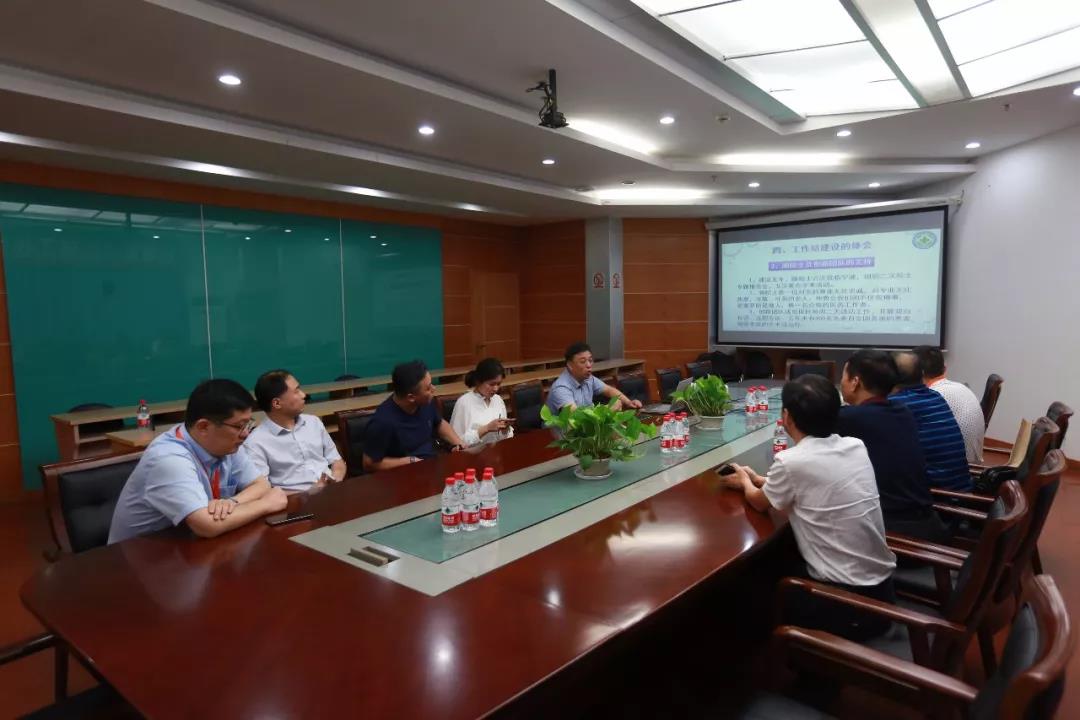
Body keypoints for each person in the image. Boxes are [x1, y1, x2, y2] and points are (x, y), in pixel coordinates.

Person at [722, 374, 896, 640]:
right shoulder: (855, 445)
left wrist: (745, 482)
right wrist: (760, 479)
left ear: (787, 417)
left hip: (843, 604)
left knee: (750, 576)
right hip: (882, 593)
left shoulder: (792, 461)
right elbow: (814, 481)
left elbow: (758, 502)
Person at [108, 379, 288, 543]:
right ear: (203, 426)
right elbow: (207, 525)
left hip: (186, 545)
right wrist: (266, 504)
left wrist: (232, 503)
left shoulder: (226, 444)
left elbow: (261, 484)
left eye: (248, 424)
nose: (246, 433)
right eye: (239, 426)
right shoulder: (168, 458)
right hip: (136, 557)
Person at [836, 349, 947, 542]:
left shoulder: (851, 418)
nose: (841, 382)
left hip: (896, 534)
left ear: (855, 382)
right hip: (927, 522)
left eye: (843, 377)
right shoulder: (902, 411)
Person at [243, 369, 346, 492]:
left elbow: (337, 461)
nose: (303, 395)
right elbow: (263, 491)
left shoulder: (313, 422)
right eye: (296, 391)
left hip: (331, 492)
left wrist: (336, 479)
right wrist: (310, 493)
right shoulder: (255, 442)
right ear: (277, 403)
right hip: (294, 500)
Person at [362, 360, 466, 472]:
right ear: (411, 397)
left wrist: (458, 443)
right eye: (428, 388)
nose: (434, 389)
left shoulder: (426, 401)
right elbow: (369, 463)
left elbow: (439, 423)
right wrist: (409, 461)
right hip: (403, 473)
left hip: (431, 465)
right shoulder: (382, 422)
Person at [891, 351, 972, 492]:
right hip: (960, 489)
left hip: (939, 497)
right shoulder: (936, 396)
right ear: (922, 374)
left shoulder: (897, 405)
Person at [913, 345, 985, 463]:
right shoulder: (962, 387)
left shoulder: (931, 397)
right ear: (944, 368)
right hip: (971, 460)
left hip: (954, 463)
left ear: (917, 373)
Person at [545, 342, 643, 415]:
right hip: (562, 434)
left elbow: (609, 390)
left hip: (586, 429)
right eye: (583, 362)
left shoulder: (588, 378)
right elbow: (576, 415)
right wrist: (607, 410)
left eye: (590, 360)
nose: (589, 365)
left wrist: (628, 402)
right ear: (570, 365)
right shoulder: (561, 388)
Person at [450, 358, 514, 447]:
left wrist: (505, 431)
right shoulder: (464, 403)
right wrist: (486, 429)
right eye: (491, 384)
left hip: (497, 451)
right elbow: (456, 443)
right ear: (478, 381)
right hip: (472, 454)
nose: (496, 389)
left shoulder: (498, 400)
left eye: (498, 384)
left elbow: (504, 437)